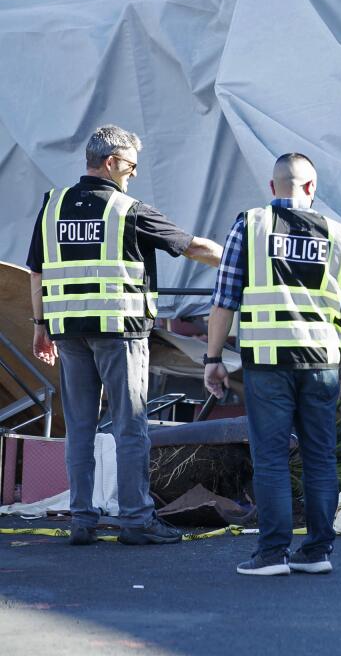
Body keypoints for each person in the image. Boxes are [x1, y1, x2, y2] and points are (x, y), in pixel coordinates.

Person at [27, 124, 224, 546]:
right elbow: (192, 247)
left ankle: (82, 520)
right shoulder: (127, 210)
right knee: (130, 427)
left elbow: (37, 271)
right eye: (131, 166)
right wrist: (242, 263)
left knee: (79, 427)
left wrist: (41, 326)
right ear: (112, 162)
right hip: (120, 332)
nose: (133, 175)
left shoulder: (54, 205)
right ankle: (137, 520)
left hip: (68, 332)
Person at [204, 152, 341, 577]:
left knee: (271, 458)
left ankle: (272, 554)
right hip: (323, 363)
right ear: (312, 188)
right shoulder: (338, 233)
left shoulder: (251, 226)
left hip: (268, 363)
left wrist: (214, 359)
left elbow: (224, 301)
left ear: (272, 188)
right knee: (320, 457)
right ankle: (317, 551)